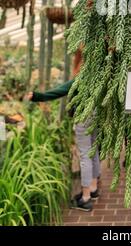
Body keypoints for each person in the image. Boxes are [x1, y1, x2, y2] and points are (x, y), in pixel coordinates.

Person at [24, 48, 101, 212]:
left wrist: (37, 96)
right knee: (93, 151)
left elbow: (60, 91)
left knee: (85, 155)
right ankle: (93, 188)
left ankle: (85, 198)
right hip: (96, 115)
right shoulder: (99, 73)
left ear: (80, 58)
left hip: (83, 117)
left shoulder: (82, 75)